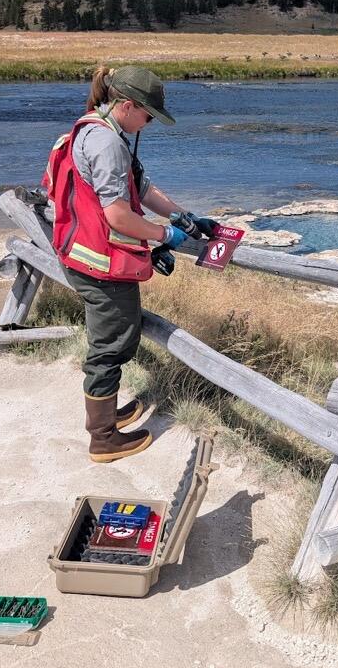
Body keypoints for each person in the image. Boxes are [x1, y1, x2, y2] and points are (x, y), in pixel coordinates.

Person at [42, 65, 216, 463]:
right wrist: (162, 235)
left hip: (84, 254)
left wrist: (181, 216)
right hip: (100, 264)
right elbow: (119, 216)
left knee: (114, 336)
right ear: (127, 105)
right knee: (111, 346)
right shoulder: (107, 145)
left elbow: (141, 186)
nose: (150, 122)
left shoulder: (95, 129)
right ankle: (103, 437)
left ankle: (107, 413)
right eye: (148, 114)